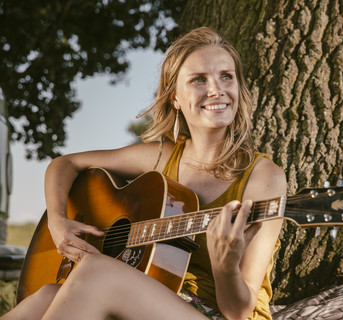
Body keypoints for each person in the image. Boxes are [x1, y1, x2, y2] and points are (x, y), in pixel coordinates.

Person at [2, 26, 286, 320]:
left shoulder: (263, 178)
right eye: (199, 80)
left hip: (217, 314)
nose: (216, 89)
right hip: (151, 301)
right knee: (48, 295)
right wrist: (59, 222)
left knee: (97, 270)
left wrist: (225, 265)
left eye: (227, 76)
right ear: (175, 98)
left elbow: (238, 312)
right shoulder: (162, 157)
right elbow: (65, 164)